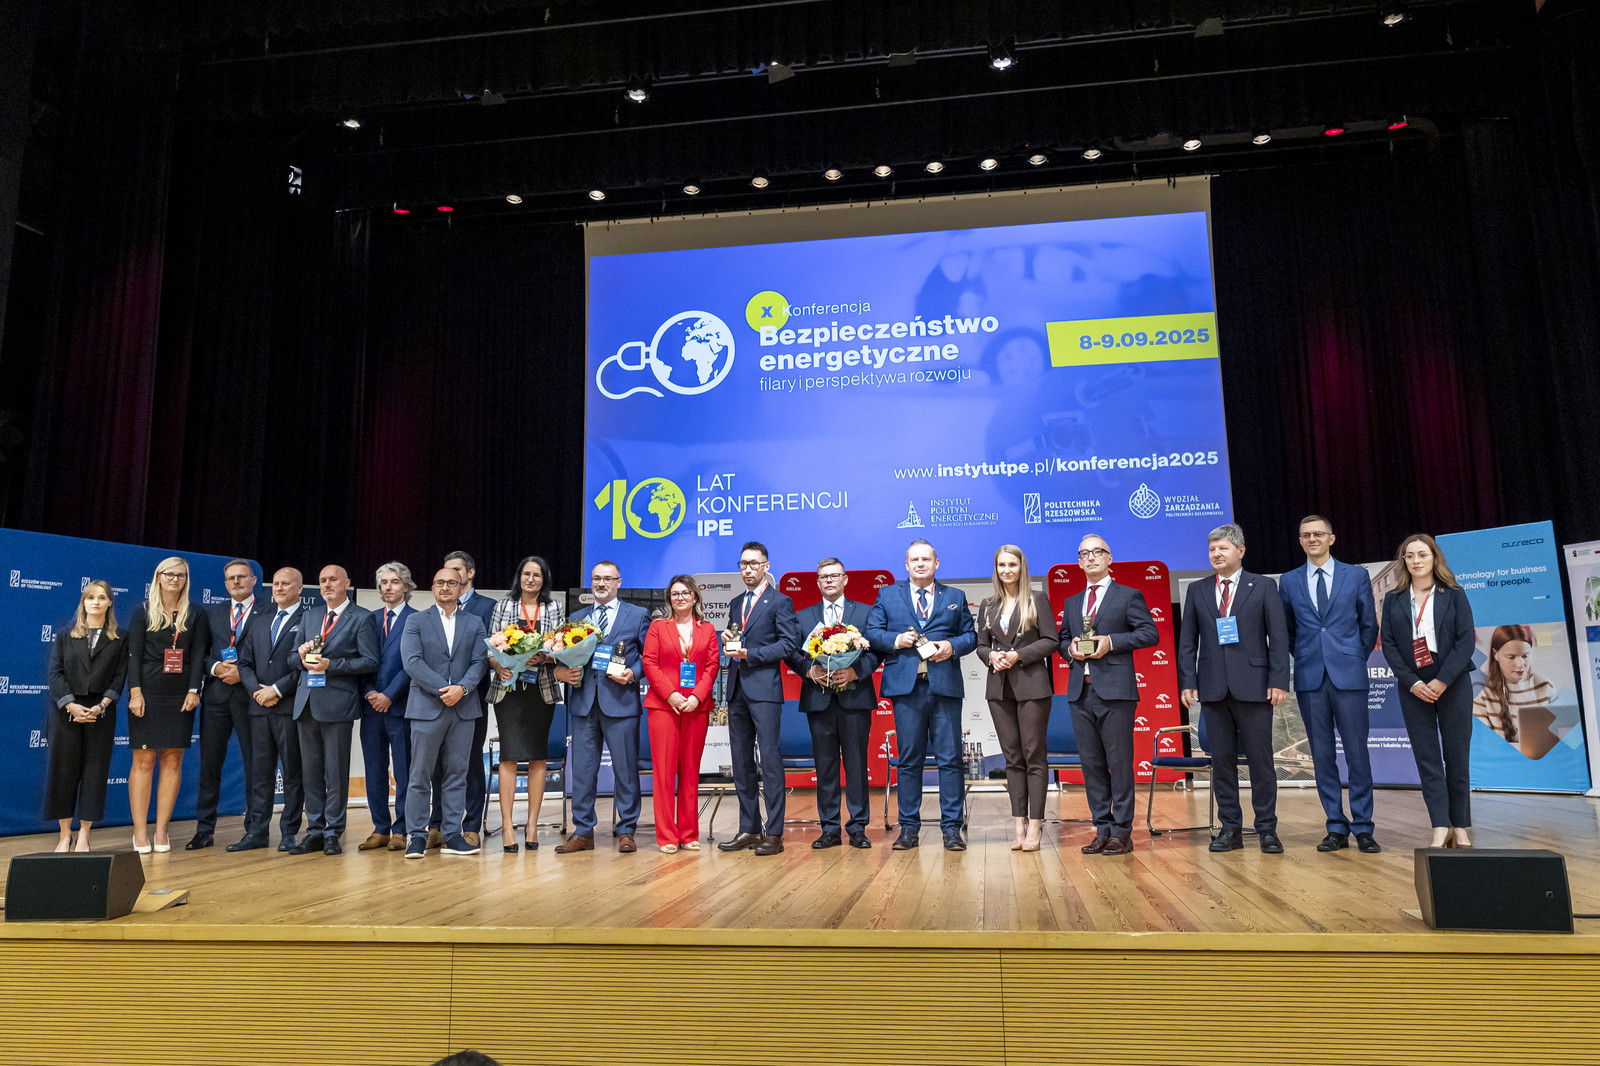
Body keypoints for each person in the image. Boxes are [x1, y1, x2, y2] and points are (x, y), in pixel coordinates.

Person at [1177, 524, 1290, 854]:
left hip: (1255, 687)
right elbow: (1188, 642)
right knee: (1222, 762)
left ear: (1240, 551)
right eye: (1212, 549)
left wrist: (1278, 680)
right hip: (1212, 689)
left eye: (1222, 548)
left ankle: (1267, 829)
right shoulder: (1197, 590)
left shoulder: (1264, 586)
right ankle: (1230, 829)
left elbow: (1278, 637)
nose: (1216, 554)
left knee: (1261, 762)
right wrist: (1188, 681)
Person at [1278, 515, 1382, 854]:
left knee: (1357, 754)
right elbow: (1288, 630)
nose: (1312, 539)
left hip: (1349, 676)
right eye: (1306, 535)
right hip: (1310, 678)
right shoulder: (1289, 581)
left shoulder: (1356, 575)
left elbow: (1368, 625)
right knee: (1322, 756)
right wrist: (1309, 656)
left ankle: (1363, 827)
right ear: (1300, 540)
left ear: (1331, 538)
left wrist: (1351, 658)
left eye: (1318, 534)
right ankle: (1336, 826)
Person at [866, 538, 977, 852]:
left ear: (936, 563)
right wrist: (897, 639)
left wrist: (951, 646)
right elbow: (872, 632)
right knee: (909, 761)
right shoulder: (888, 594)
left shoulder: (955, 596)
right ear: (906, 564)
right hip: (907, 689)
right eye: (914, 559)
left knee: (951, 760)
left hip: (945, 687)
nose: (920, 564)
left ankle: (951, 829)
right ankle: (908, 829)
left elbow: (971, 636)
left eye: (926, 559)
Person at [1058, 535, 1158, 856]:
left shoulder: (1128, 595)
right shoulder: (1072, 601)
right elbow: (1062, 640)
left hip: (1115, 693)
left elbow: (1149, 633)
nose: (1090, 558)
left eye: (1096, 552)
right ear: (1079, 561)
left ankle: (1122, 832)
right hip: (1080, 691)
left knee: (1119, 763)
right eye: (1083, 554)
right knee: (1092, 765)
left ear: (1109, 558)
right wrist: (1070, 648)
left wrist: (1111, 642)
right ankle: (1102, 828)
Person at [1380, 534, 1476, 849]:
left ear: (1434, 557)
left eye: (1422, 554)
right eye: (1409, 556)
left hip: (1453, 681)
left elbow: (1466, 640)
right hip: (1413, 687)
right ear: (1404, 561)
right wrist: (1413, 682)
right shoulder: (1394, 598)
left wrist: (1443, 680)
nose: (1416, 561)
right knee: (1427, 759)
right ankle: (1440, 825)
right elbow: (1389, 645)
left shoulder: (1454, 593)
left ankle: (1460, 826)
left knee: (1457, 758)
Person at [784, 558, 881, 850]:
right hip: (819, 699)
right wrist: (808, 671)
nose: (829, 580)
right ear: (817, 582)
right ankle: (829, 829)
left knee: (856, 765)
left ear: (845, 579)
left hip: (855, 698)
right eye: (824, 576)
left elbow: (877, 650)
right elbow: (790, 652)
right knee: (825, 767)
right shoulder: (803, 617)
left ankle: (858, 828)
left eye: (834, 575)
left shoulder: (865, 613)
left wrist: (856, 671)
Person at [553, 560, 649, 854]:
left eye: (608, 579)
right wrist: (560, 670)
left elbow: (649, 657)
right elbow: (563, 656)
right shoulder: (577, 618)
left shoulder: (638, 615)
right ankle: (583, 831)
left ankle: (627, 829)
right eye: (596, 578)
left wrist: (632, 673)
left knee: (626, 771)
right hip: (583, 703)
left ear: (619, 582)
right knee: (582, 772)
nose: (601, 583)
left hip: (621, 702)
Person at [717, 541, 800, 856]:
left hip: (765, 690)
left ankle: (774, 833)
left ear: (766, 566)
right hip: (736, 689)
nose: (747, 569)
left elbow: (787, 645)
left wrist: (750, 653)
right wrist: (727, 638)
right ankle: (750, 829)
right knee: (741, 764)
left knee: (770, 762)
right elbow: (736, 638)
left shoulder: (780, 601)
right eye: (743, 564)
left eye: (753, 563)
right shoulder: (736, 602)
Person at [289, 564, 379, 855]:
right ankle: (314, 831)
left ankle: (333, 832)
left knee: (336, 773)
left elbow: (369, 661)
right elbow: (292, 657)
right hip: (306, 703)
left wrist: (332, 665)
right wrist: (300, 657)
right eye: (322, 580)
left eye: (333, 580)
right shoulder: (310, 615)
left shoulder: (362, 617)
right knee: (311, 773)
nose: (327, 584)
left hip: (338, 704)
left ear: (346, 583)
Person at [975, 545, 1060, 852]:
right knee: (1012, 758)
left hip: (1032, 687)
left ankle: (1036, 824)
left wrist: (1018, 655)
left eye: (1012, 564)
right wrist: (991, 656)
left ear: (1022, 567)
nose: (1006, 570)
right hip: (999, 688)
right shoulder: (987, 605)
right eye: (1001, 565)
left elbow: (1052, 640)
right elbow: (981, 645)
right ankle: (1019, 825)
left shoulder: (1037, 599)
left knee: (1034, 755)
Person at [125, 556, 211, 853]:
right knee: (144, 760)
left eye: (181, 575)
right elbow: (133, 655)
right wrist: (135, 693)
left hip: (180, 695)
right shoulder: (142, 612)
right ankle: (140, 832)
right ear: (158, 577)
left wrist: (194, 689)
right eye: (170, 574)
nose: (175, 579)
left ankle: (161, 830)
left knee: (173, 759)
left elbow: (198, 654)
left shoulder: (196, 613)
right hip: (147, 693)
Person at [402, 568, 489, 857]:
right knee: (419, 775)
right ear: (432, 587)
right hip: (426, 707)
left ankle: (452, 835)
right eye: (440, 582)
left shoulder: (475, 622)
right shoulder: (416, 621)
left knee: (457, 775)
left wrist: (462, 689)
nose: (445, 587)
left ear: (461, 587)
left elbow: (479, 662)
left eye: (452, 582)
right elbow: (412, 662)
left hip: (463, 709)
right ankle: (417, 836)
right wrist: (446, 690)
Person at [190, 559, 272, 851]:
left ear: (253, 580)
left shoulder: (270, 611)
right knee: (209, 766)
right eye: (231, 578)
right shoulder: (211, 613)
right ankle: (204, 830)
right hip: (216, 698)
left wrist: (244, 675)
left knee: (256, 767)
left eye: (241, 577)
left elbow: (273, 656)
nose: (236, 582)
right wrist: (215, 668)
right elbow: (199, 654)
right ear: (225, 583)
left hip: (252, 698)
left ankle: (255, 830)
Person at [487, 555, 564, 853]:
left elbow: (562, 647)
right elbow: (491, 647)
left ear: (544, 580)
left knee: (537, 757)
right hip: (508, 689)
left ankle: (532, 825)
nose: (531, 579)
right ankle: (508, 826)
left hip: (540, 690)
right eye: (526, 574)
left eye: (537, 575)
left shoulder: (554, 607)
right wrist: (498, 666)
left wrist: (544, 656)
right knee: (508, 756)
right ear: (519, 577)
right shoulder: (503, 606)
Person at [44, 580, 126, 852]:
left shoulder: (120, 637)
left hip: (100, 712)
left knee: (94, 772)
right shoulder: (64, 636)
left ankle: (84, 835)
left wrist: (102, 706)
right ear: (83, 602)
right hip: (66, 712)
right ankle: (64, 835)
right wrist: (70, 705)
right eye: (90, 597)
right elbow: (55, 673)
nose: (96, 602)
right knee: (63, 773)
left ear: (110, 602)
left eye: (102, 597)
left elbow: (119, 676)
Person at [641, 575, 721, 852]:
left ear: (695, 596)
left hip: (696, 707)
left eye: (685, 593)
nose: (680, 598)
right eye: (675, 594)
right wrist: (670, 694)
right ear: (669, 599)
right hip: (663, 706)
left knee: (690, 771)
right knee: (664, 772)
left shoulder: (707, 629)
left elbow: (712, 665)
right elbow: (649, 663)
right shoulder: (658, 627)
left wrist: (697, 696)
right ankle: (666, 836)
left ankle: (688, 833)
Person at [424, 550, 497, 848]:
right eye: (444, 574)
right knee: (438, 763)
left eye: (455, 572)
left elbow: (490, 653)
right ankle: (437, 824)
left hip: (473, 696)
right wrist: (442, 688)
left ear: (470, 573)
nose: (449, 579)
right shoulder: (432, 611)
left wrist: (463, 687)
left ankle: (471, 825)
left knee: (470, 761)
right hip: (437, 697)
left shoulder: (488, 607)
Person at [233, 567, 307, 852]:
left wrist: (276, 690)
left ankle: (289, 833)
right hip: (259, 709)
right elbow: (244, 663)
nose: (279, 588)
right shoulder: (260, 620)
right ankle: (256, 832)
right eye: (275, 584)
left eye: (286, 584)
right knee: (260, 774)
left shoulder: (309, 619)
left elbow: (305, 665)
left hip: (289, 708)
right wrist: (257, 691)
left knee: (292, 774)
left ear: (299, 588)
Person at [357, 561, 419, 852]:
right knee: (374, 769)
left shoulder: (417, 619)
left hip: (400, 706)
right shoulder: (367, 619)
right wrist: (370, 692)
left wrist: (389, 695)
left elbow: (413, 663)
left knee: (404, 771)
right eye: (383, 583)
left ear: (406, 586)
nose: (388, 587)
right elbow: (359, 660)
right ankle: (380, 827)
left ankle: (401, 829)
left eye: (394, 582)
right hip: (371, 708)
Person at [1473, 624, 1559, 757]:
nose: (1520, 664)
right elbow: (1484, 747)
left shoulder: (1545, 686)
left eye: (1525, 656)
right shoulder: (1483, 693)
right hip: (1504, 764)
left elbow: (1563, 737)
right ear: (1496, 655)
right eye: (1511, 657)